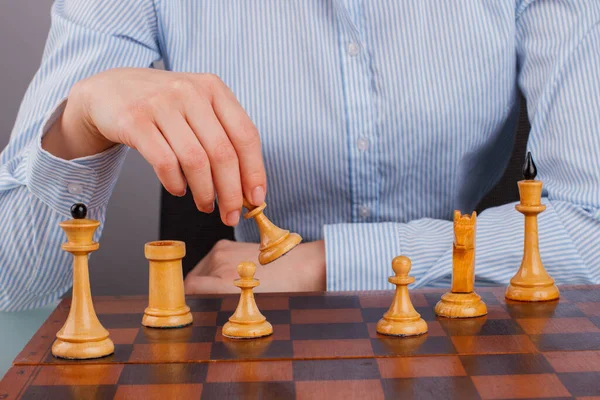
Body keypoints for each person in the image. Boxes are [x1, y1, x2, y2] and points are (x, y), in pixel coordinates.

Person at [1, 0, 599, 311]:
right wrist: (76, 128)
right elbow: (13, 292)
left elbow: (591, 231)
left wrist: (325, 265)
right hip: (250, 353)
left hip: (480, 336)